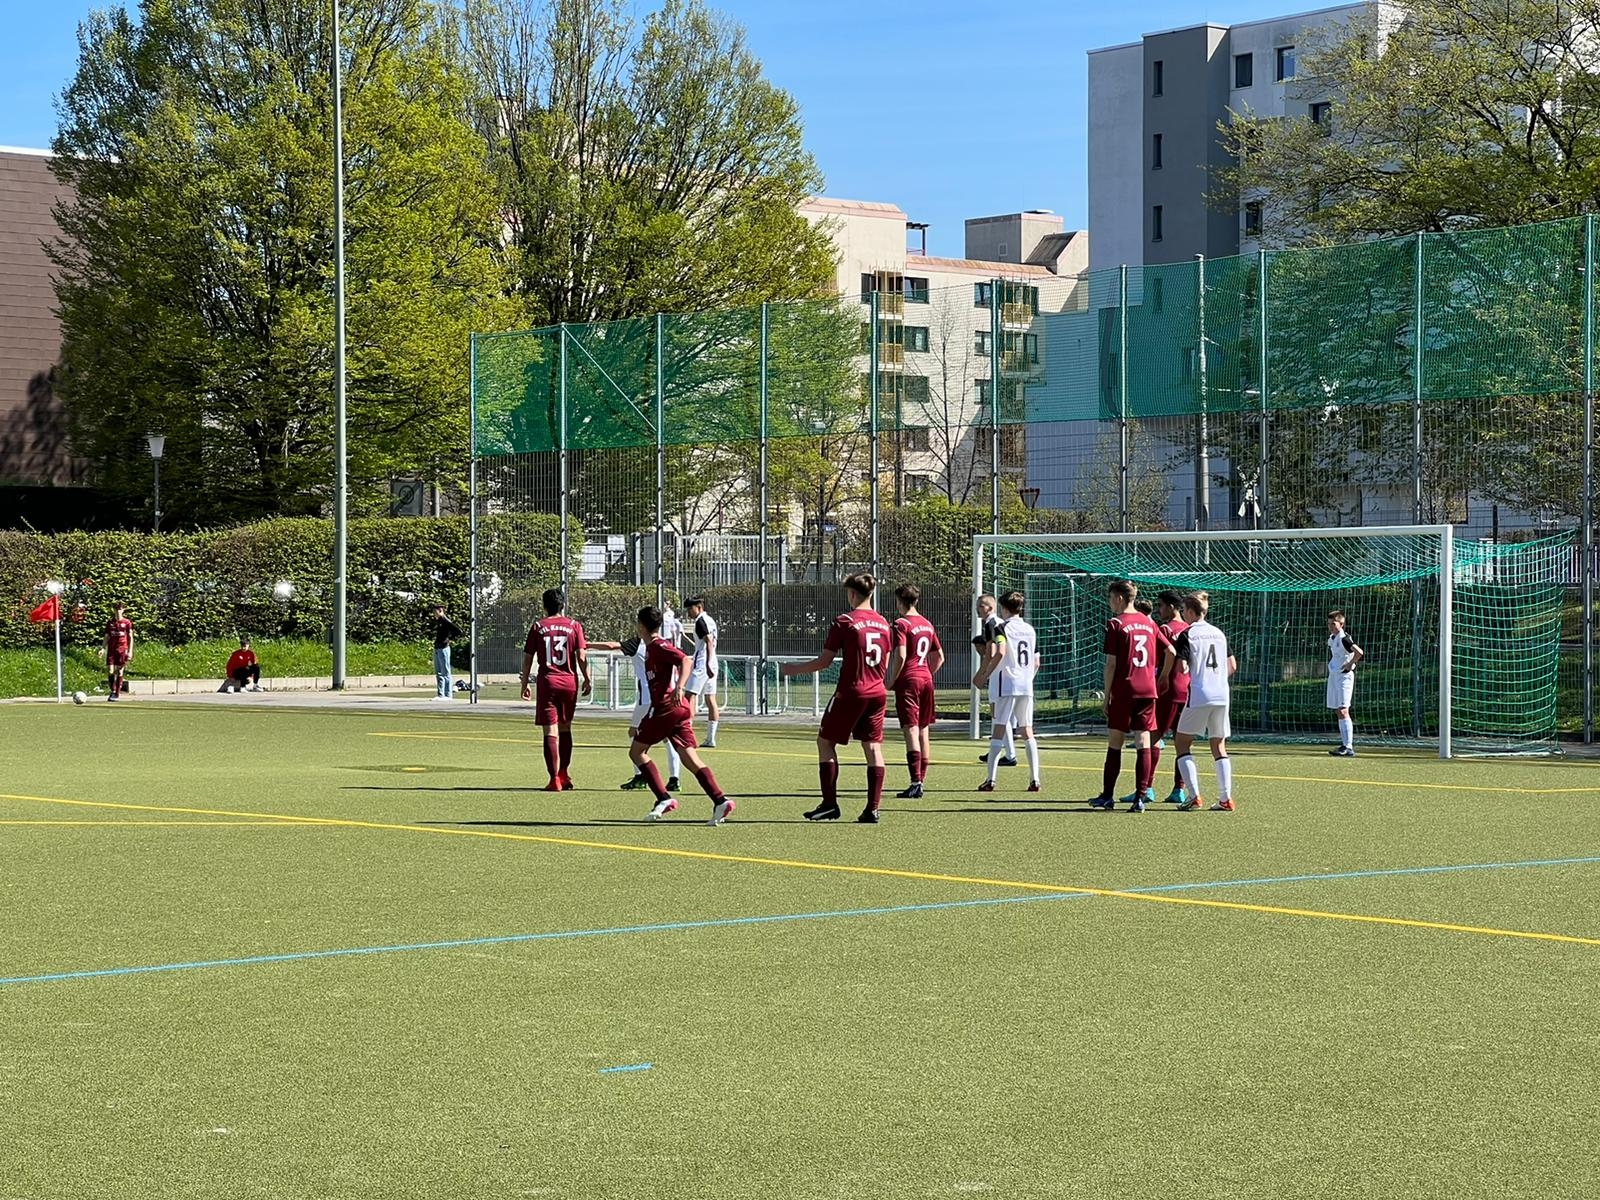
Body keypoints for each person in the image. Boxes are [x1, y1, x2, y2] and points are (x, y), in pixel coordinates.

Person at [782, 572, 891, 824]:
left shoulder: (845, 621)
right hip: (877, 692)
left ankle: (830, 804)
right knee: (873, 747)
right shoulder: (885, 623)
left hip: (852, 691)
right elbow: (885, 659)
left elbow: (825, 661)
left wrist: (793, 669)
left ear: (852, 594)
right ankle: (872, 808)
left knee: (825, 742)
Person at [626, 607, 733, 825]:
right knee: (690, 758)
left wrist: (680, 687)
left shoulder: (658, 646)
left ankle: (663, 798)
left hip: (666, 708)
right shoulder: (650, 647)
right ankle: (720, 800)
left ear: (641, 626)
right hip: (678, 710)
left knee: (637, 752)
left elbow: (685, 660)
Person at [1159, 591, 1239, 811]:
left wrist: (1190, 670)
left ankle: (1194, 796)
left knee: (1182, 743)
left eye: (1184, 610)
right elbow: (1232, 666)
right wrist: (1215, 679)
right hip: (1222, 695)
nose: (1183, 614)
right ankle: (1226, 799)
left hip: (1200, 694)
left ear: (1192, 612)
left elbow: (1183, 666)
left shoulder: (1188, 634)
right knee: (1219, 746)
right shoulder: (1219, 633)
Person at [1089, 580, 1161, 812]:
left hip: (1125, 689)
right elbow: (1168, 650)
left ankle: (1107, 796)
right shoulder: (1150, 623)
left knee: (1115, 742)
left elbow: (1111, 664)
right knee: (1143, 741)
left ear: (1119, 598)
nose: (1110, 602)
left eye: (1111, 598)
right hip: (1148, 690)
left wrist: (1106, 695)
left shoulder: (1116, 624)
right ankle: (1141, 798)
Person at [591, 633, 684, 793]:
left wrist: (586, 644)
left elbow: (612, 646)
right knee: (668, 738)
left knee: (633, 733)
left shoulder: (638, 642)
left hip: (648, 698)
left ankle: (640, 775)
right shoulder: (664, 644)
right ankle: (674, 779)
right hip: (666, 697)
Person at [520, 589, 591, 791]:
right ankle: (564, 773)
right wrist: (587, 678)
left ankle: (554, 779)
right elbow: (582, 657)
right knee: (566, 727)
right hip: (569, 682)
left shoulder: (538, 626)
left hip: (547, 682)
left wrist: (524, 683)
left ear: (544, 605)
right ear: (563, 605)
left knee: (549, 730)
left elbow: (527, 659)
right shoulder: (574, 625)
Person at [975, 591, 1041, 794]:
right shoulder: (1030, 629)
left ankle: (990, 780)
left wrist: (985, 674)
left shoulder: (1001, 627)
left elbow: (1000, 650)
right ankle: (1035, 779)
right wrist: (1027, 678)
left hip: (1007, 684)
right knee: (1026, 730)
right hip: (1026, 685)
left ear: (1003, 608)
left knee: (999, 729)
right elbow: (1037, 661)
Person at [885, 583, 944, 799]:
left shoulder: (901, 624)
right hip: (926, 679)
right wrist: (926, 673)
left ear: (900, 601)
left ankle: (915, 782)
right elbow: (940, 657)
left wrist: (891, 680)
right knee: (923, 730)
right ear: (916, 601)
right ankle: (921, 780)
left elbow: (900, 655)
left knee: (910, 730)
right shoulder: (927, 624)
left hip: (908, 681)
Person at [1154, 589, 1191, 803]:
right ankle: (1179, 789)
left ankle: (1146, 788)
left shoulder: (1165, 630)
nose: (1158, 610)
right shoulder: (1189, 629)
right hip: (1187, 690)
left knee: (1152, 738)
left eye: (1160, 605)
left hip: (1167, 689)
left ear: (1171, 606)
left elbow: (1159, 659)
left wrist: (1161, 678)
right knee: (1182, 741)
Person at [974, 593, 1016, 768]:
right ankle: (1001, 751)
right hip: (1007, 675)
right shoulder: (998, 623)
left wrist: (982, 673)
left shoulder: (992, 623)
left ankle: (1009, 753)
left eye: (981, 606)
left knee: (998, 714)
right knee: (999, 714)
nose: (978, 609)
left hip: (999, 675)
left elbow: (992, 652)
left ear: (990, 607)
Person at [1326, 609, 1364, 757]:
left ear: (1341, 624)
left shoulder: (1344, 639)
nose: (1330, 626)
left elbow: (1359, 652)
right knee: (1338, 710)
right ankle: (1344, 744)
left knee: (1343, 710)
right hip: (1334, 676)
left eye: (1333, 624)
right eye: (1329, 624)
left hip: (1344, 678)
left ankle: (1349, 746)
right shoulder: (1332, 638)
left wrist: (1350, 664)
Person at [684, 596, 721, 747]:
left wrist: (707, 664)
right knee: (710, 699)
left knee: (689, 697)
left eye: (690, 609)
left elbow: (709, 642)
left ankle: (687, 736)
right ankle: (710, 738)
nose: (688, 613)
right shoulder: (710, 620)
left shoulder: (700, 621)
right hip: (712, 662)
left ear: (699, 607)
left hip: (703, 664)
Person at [431, 604, 463, 702]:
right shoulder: (439, 622)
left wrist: (449, 639)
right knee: (439, 672)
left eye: (435, 611)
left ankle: (448, 694)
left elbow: (458, 631)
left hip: (444, 648)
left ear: (440, 611)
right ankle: (441, 694)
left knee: (445, 672)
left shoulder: (445, 621)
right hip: (437, 648)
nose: (434, 614)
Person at [103, 602, 133, 701]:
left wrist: (130, 651)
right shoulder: (110, 623)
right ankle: (112, 691)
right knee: (110, 671)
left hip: (122, 649)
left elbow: (130, 637)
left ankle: (117, 693)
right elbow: (107, 636)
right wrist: (103, 648)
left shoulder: (127, 622)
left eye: (120, 609)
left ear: (123, 610)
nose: (118, 611)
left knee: (119, 671)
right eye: (116, 609)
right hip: (112, 650)